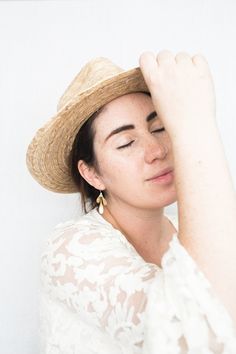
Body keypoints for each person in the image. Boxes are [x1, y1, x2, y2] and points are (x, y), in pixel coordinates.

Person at [26, 51, 236, 354]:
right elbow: (195, 336)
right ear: (92, 174)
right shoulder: (70, 249)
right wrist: (196, 126)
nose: (156, 150)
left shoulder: (186, 229)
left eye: (160, 128)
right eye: (126, 143)